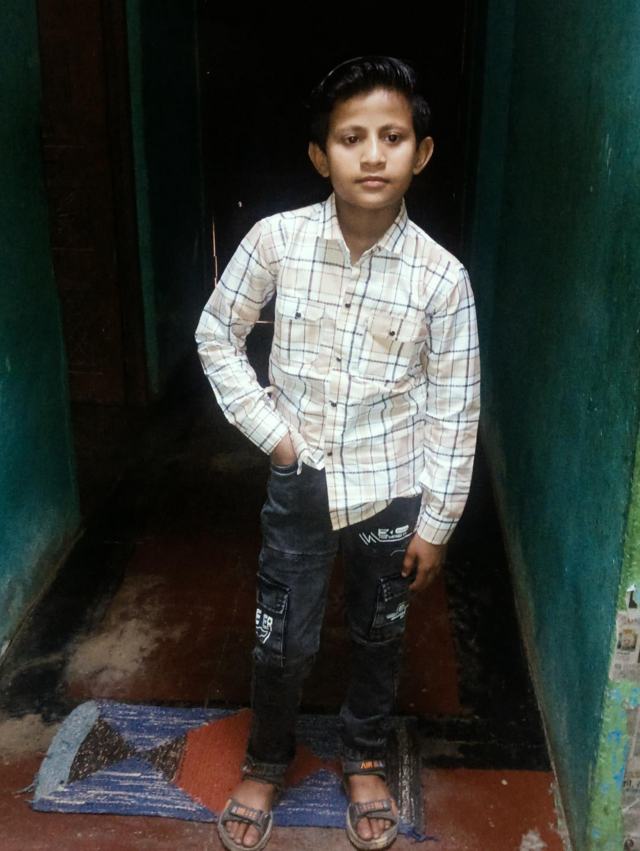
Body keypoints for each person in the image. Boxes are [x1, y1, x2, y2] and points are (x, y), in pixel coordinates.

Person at [195, 55, 481, 851]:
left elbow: (456, 406)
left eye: (393, 136)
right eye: (351, 138)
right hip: (302, 482)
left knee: (379, 631)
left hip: (393, 491)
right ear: (322, 155)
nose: (373, 154)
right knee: (281, 635)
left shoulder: (442, 279)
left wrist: (437, 522)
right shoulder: (277, 240)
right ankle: (266, 759)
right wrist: (276, 435)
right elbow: (216, 334)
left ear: (422, 152)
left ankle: (363, 755)